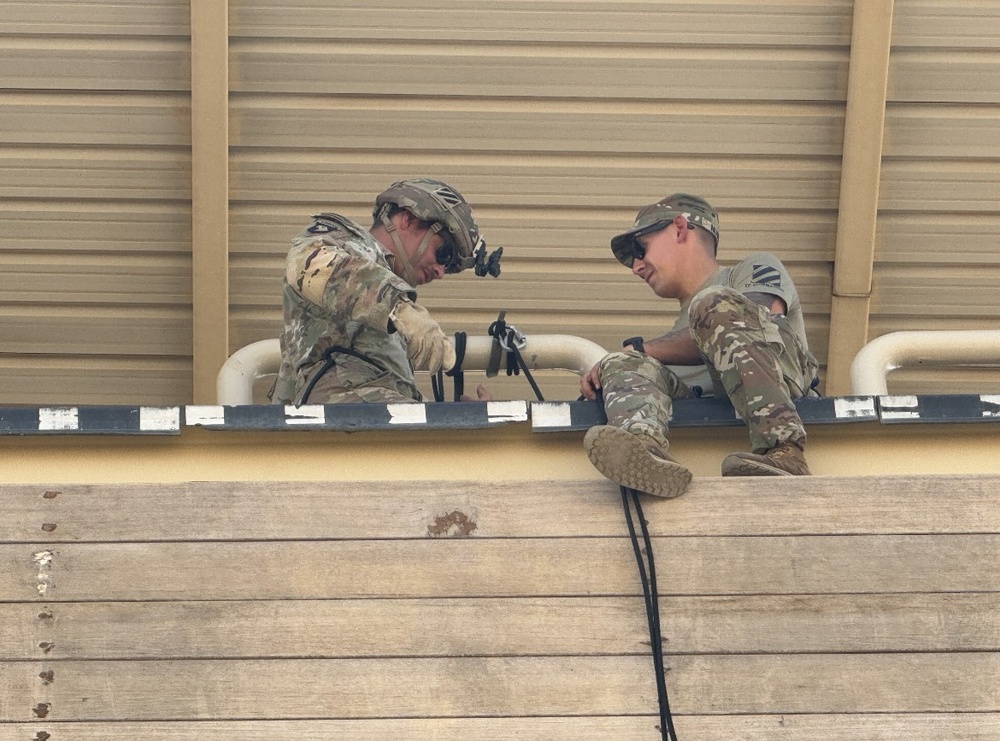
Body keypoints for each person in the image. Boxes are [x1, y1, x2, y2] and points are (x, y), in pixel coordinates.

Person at [579, 193, 819, 498]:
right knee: (622, 363)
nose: (636, 267)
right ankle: (645, 451)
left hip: (782, 381)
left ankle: (786, 450)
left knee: (712, 306)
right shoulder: (669, 344)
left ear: (680, 228)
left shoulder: (749, 271)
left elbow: (754, 322)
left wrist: (644, 349)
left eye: (640, 249)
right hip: (716, 395)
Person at [272, 178, 500, 405]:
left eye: (448, 267)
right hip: (336, 410)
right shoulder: (345, 243)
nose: (440, 271)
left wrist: (465, 424)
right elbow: (309, 264)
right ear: (408, 219)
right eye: (444, 254)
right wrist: (400, 310)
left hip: (369, 420)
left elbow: (392, 403)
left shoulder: (391, 313)